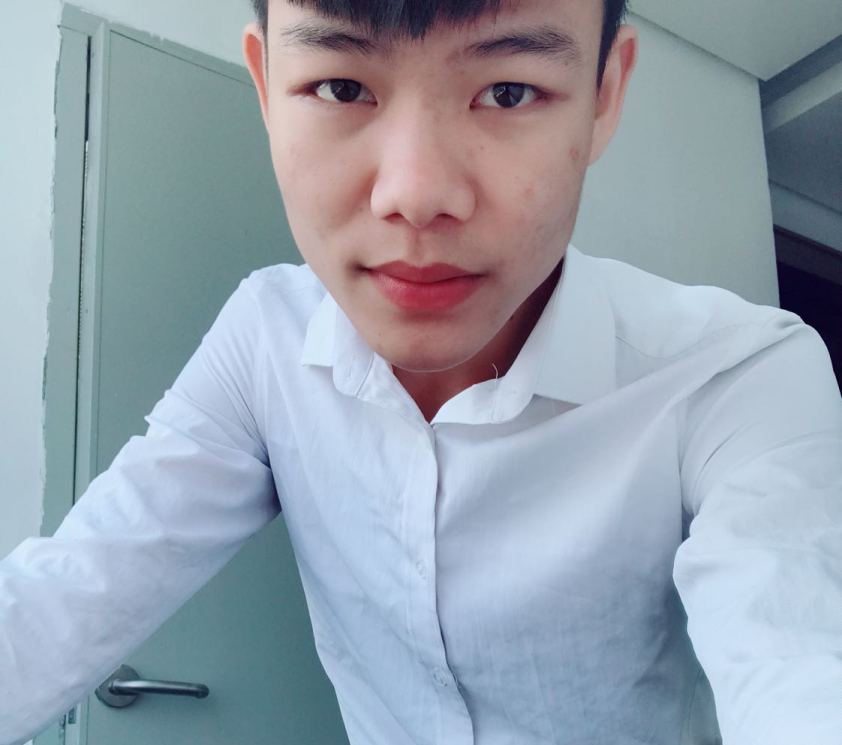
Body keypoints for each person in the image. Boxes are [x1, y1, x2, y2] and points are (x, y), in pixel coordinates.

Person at [2, 0, 841, 743]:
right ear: (265, 87)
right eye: (341, 86)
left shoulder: (740, 373)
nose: (415, 195)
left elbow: (797, 660)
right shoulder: (265, 336)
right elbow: (68, 593)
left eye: (508, 91)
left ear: (603, 96)